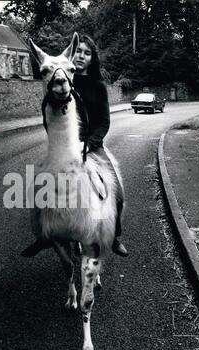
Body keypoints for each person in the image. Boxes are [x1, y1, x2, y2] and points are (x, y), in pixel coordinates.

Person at [73, 34, 128, 257]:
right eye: (78, 51)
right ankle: (45, 234)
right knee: (41, 189)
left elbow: (104, 121)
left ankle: (114, 236)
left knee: (117, 193)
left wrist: (89, 144)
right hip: (68, 147)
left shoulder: (98, 86)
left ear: (92, 58)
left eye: (87, 53)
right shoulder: (63, 80)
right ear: (71, 52)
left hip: (93, 147)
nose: (81, 56)